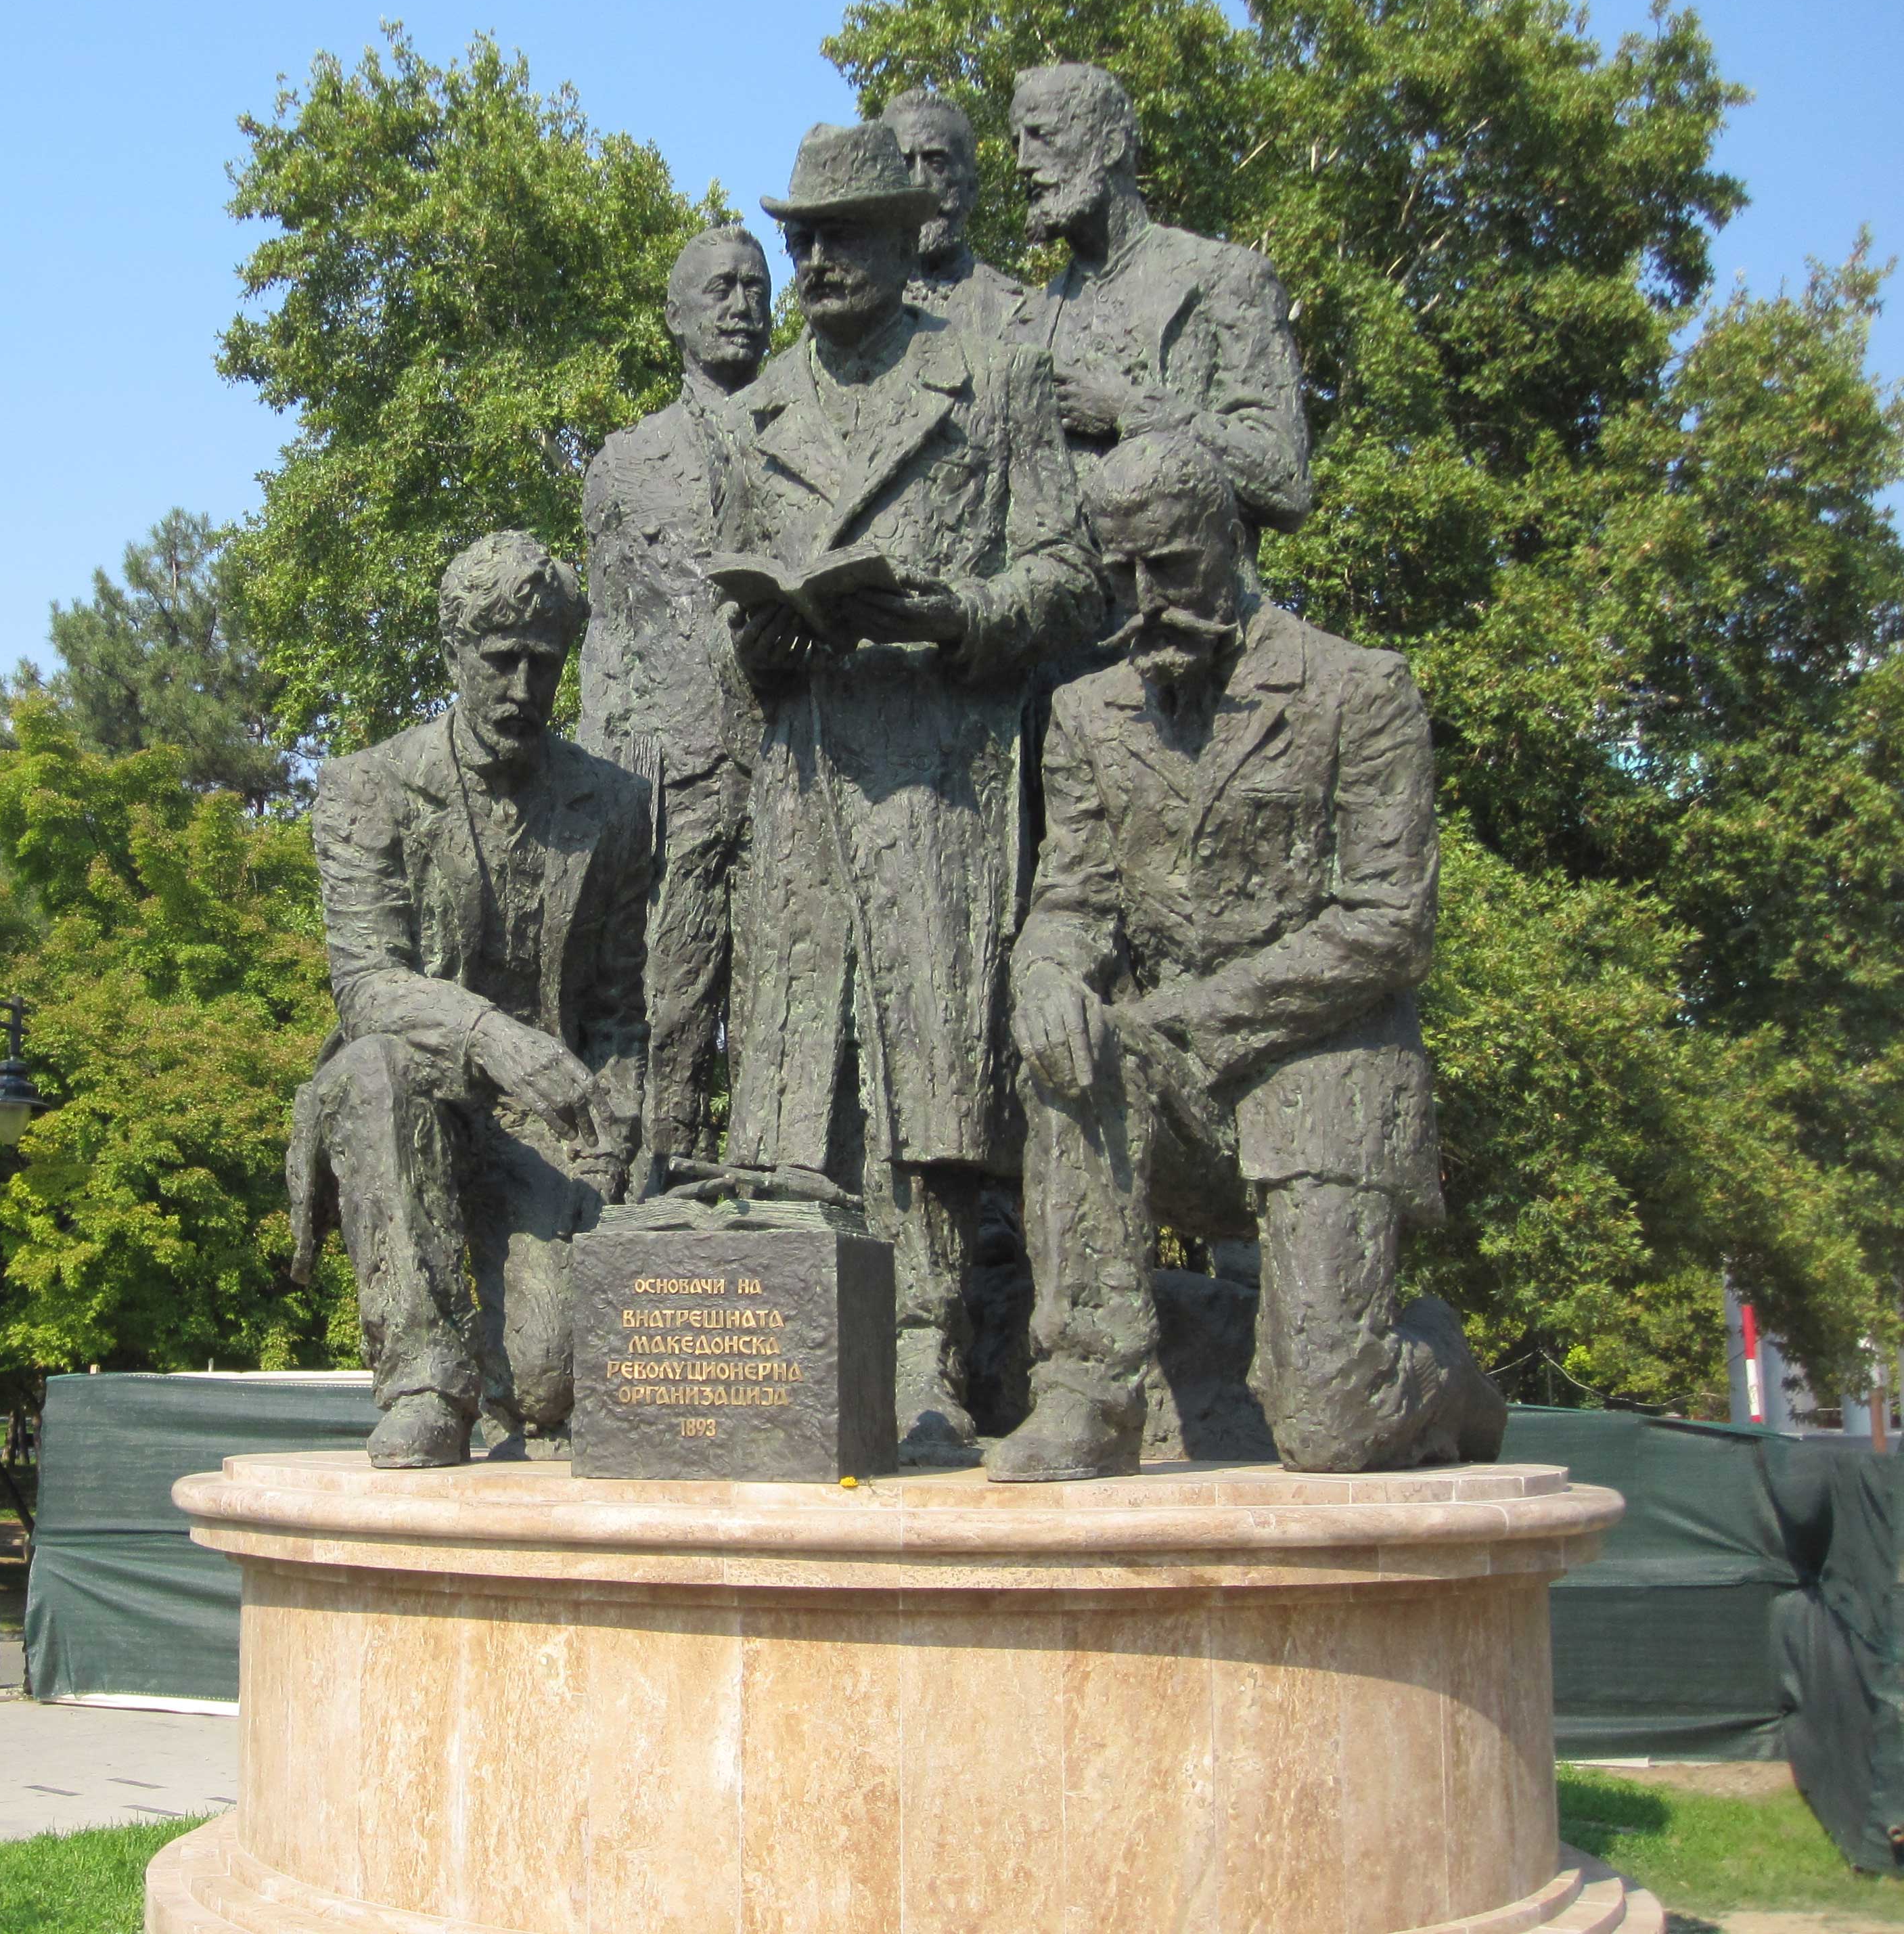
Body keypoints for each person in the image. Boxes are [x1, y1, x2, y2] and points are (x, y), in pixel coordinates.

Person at [991, 432, 1505, 1481]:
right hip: (1173, 1081)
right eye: (1122, 575)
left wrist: (1192, 1015)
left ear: (1234, 542)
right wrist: (1044, 979)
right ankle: (1087, 1389)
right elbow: (1073, 901)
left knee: (1332, 1427)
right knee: (1071, 1049)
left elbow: (1390, 923)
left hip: (1324, 1072)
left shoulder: (1358, 689)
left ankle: (1444, 1368)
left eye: (1173, 567)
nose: (1147, 602)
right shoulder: (1086, 715)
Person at [710, 121, 1097, 1460]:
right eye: (799, 240)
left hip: (941, 774)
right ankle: (791, 1349)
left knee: (934, 1075)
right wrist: (763, 636)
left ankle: (931, 1351)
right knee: (798, 1069)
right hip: (806, 774)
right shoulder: (756, 415)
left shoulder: (993, 381)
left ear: (896, 236)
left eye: (837, 236)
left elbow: (1068, 575)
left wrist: (956, 612)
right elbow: (740, 626)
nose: (813, 262)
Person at [288, 534, 653, 1469]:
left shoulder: (615, 807)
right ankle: (424, 1383)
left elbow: (620, 1010)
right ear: (454, 652)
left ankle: (505, 1378)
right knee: (371, 1069)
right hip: (413, 1101)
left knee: (546, 1382)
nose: (523, 689)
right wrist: (493, 1037)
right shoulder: (366, 787)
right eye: (501, 661)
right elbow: (367, 985)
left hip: (547, 1129)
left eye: (545, 664)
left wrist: (612, 1140)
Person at [579, 225, 771, 1177]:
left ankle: (781, 1192)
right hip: (676, 775)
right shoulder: (625, 463)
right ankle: (661, 1188)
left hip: (793, 767)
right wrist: (606, 799)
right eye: (720, 289)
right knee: (670, 1003)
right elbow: (606, 635)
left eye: (756, 287)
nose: (742, 305)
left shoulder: (810, 435)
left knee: (788, 1004)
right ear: (675, 317)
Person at [1009, 63, 1312, 567]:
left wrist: (1128, 409)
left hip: (1192, 605)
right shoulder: (1026, 322)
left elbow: (1285, 480)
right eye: (1017, 142)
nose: (1023, 162)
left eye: (1042, 136)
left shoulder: (1226, 278)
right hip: (1064, 608)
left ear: (1110, 146)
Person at [881, 87, 1028, 345]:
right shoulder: (852, 313)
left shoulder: (1019, 309)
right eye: (905, 165)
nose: (920, 181)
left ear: (971, 188)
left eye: (937, 164)